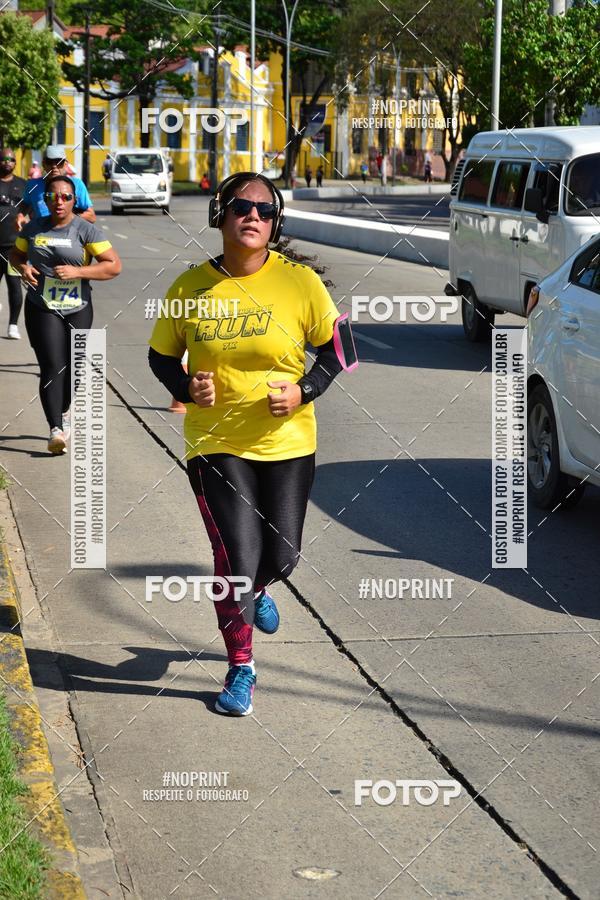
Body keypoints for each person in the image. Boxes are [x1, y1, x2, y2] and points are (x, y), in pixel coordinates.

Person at [148, 171, 355, 716]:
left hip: (288, 442)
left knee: (281, 557)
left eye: (265, 210)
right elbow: (160, 357)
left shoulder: (299, 283)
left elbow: (343, 348)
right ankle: (242, 667)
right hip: (215, 444)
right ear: (221, 212)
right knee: (236, 559)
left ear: (275, 221)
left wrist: (306, 389)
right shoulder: (191, 287)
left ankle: (259, 591)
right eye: (242, 206)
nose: (253, 216)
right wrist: (185, 387)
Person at [10, 175, 121, 454]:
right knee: (51, 365)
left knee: (74, 367)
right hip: (42, 306)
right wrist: (23, 268)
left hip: (78, 308)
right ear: (45, 199)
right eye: (52, 196)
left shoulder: (85, 230)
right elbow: (15, 255)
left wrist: (79, 272)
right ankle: (55, 428)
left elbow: (113, 266)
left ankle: (65, 408)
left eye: (65, 197)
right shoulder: (34, 227)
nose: (59, 201)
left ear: (74, 200)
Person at [22, 145, 96, 223]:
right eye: (49, 162)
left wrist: (68, 217)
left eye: (59, 162)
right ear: (43, 164)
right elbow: (25, 205)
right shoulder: (33, 185)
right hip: (41, 234)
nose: (54, 166)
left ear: (66, 164)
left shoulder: (77, 185)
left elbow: (91, 216)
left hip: (69, 234)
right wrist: (20, 216)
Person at [0, 147, 26, 339]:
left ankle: (13, 325)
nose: (7, 162)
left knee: (15, 286)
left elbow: (30, 211)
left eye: (11, 159)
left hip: (13, 248)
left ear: (15, 163)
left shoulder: (22, 185)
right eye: (4, 159)